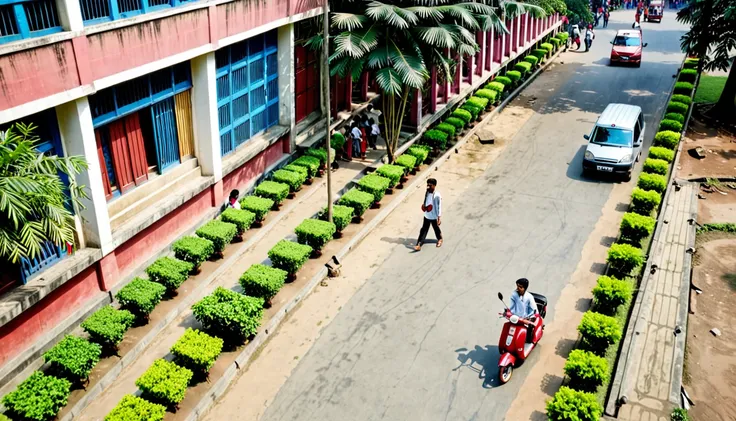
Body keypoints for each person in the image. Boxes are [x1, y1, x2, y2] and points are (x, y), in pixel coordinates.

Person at [414, 178, 442, 251]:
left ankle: (440, 239)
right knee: (423, 229)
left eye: (430, 185)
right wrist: (424, 206)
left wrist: (439, 218)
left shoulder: (437, 195)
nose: (428, 186)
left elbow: (439, 206)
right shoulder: (427, 192)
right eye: (428, 185)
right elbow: (426, 201)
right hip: (427, 215)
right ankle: (419, 244)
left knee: (436, 228)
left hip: (433, 216)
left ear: (434, 186)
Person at [508, 278, 537, 343]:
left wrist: (530, 318)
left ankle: (529, 342)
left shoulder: (529, 297)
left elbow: (534, 310)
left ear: (525, 288)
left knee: (529, 328)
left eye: (520, 287)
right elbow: (511, 305)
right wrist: (507, 312)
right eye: (517, 286)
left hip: (526, 318)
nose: (518, 288)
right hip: (517, 318)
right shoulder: (514, 294)